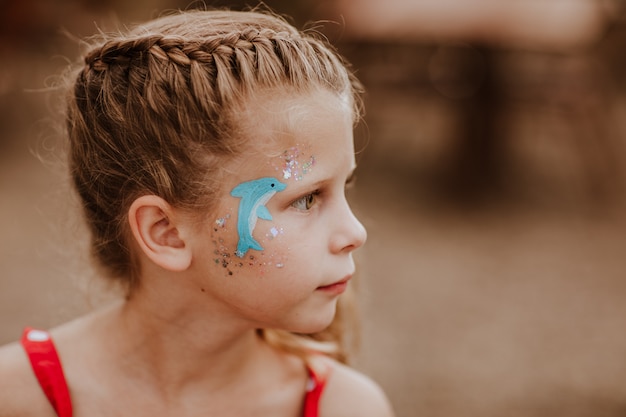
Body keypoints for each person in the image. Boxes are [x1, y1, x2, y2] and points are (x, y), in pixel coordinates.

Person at [0, 7, 395, 417]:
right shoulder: (17, 398)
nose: (355, 232)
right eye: (307, 198)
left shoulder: (344, 408)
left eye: (344, 186)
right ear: (166, 232)